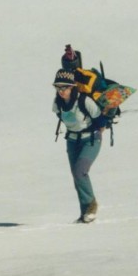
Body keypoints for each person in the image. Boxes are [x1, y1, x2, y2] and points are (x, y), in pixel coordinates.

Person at [52, 69, 108, 223]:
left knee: (80, 171)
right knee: (77, 176)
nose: (61, 91)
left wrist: (99, 128)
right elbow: (59, 115)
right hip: (72, 141)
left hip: (91, 139)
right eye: (58, 87)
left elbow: (100, 119)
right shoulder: (58, 103)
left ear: (72, 87)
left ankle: (91, 206)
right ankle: (84, 214)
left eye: (64, 87)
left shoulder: (84, 101)